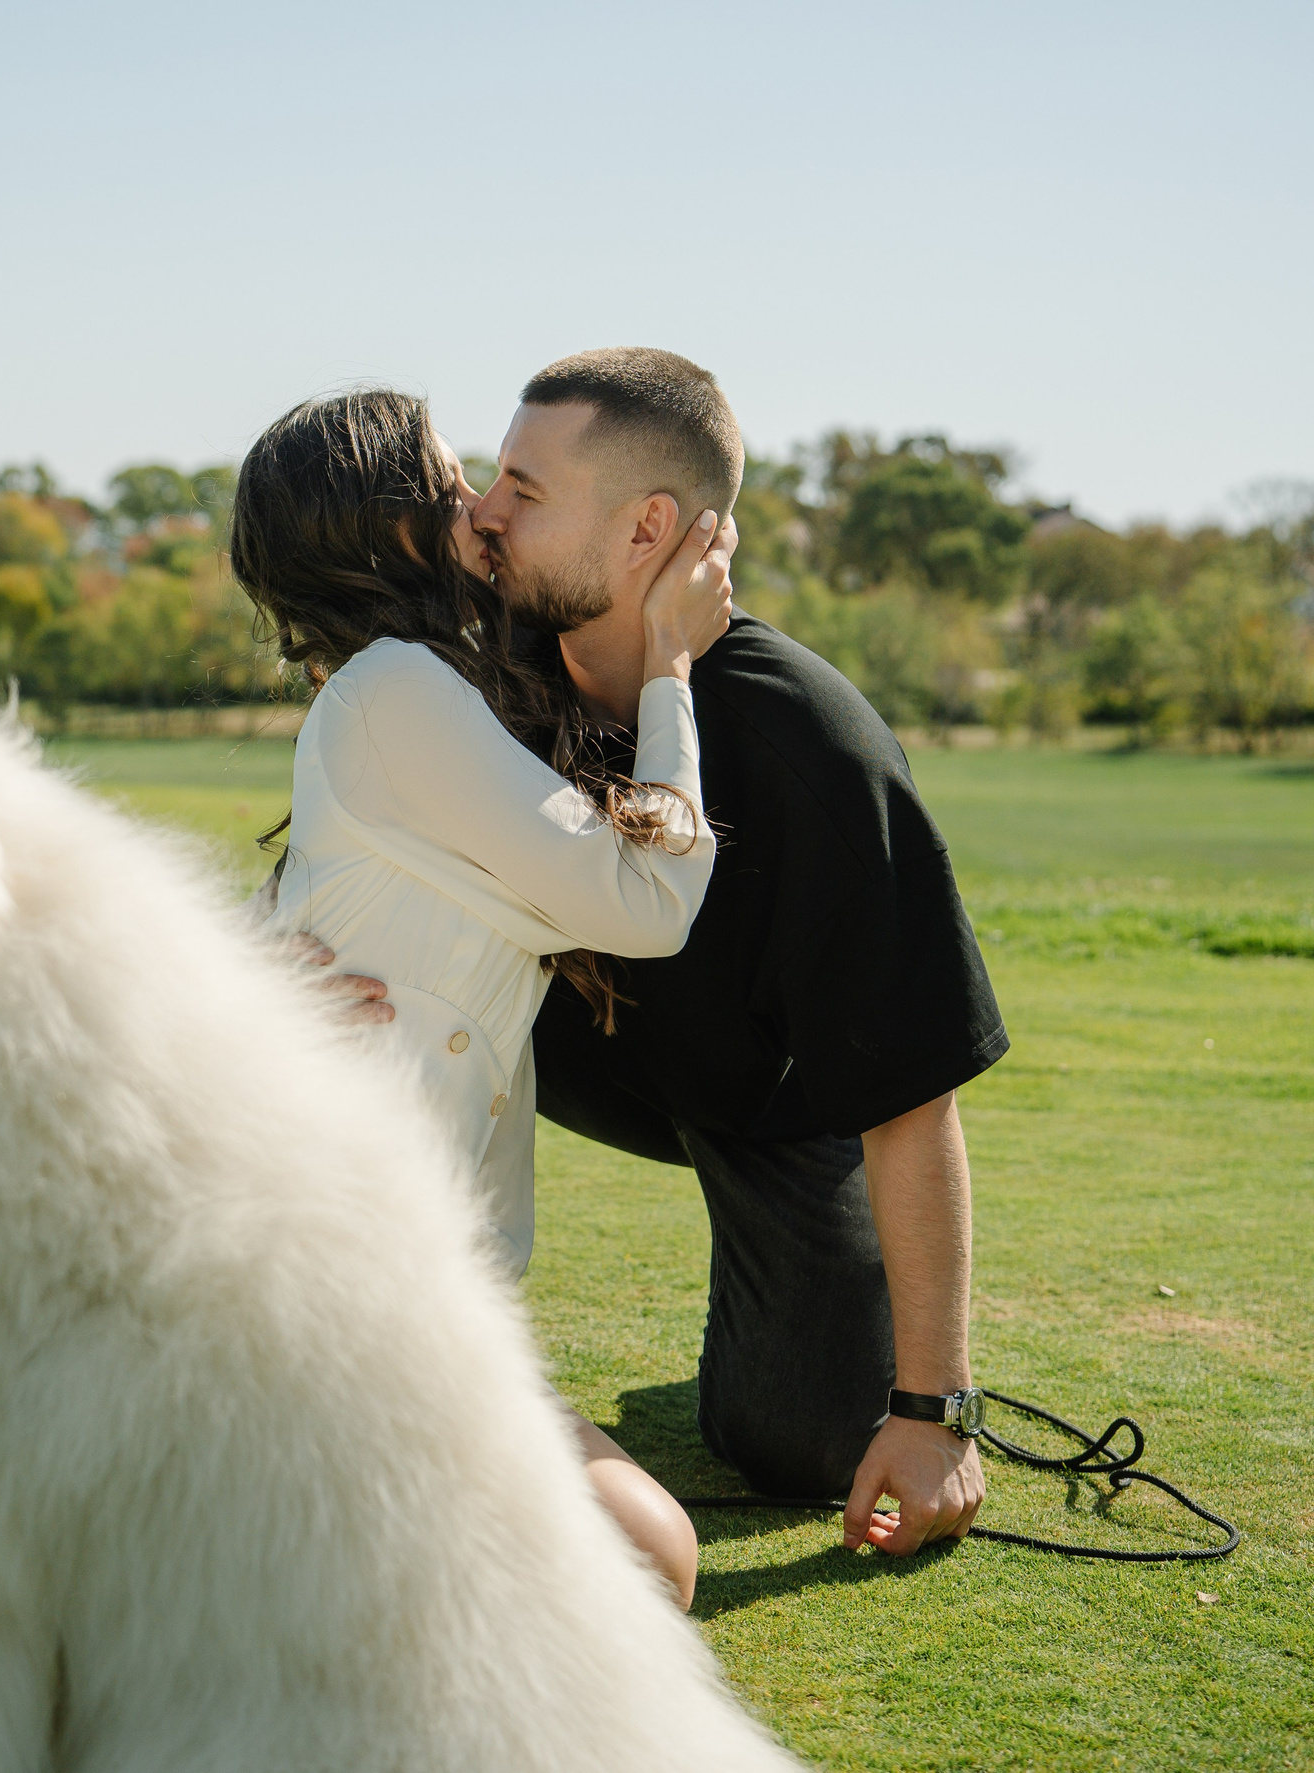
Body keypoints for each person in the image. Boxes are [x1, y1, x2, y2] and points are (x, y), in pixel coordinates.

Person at [349, 347, 1009, 1562]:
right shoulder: (470, 677)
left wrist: (935, 1413)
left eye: (521, 489)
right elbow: (342, 820)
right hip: (568, 1046)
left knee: (794, 1443)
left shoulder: (813, 742)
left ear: (649, 527)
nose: (478, 512)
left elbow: (913, 1092)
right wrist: (282, 961)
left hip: (772, 1105)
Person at [229, 387, 738, 1607]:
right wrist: (668, 669)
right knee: (640, 1563)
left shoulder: (417, 690)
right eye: (453, 476)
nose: (479, 503)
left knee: (641, 1562)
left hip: (406, 1288)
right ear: (386, 524)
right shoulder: (394, 688)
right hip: (321, 1278)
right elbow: (645, 906)